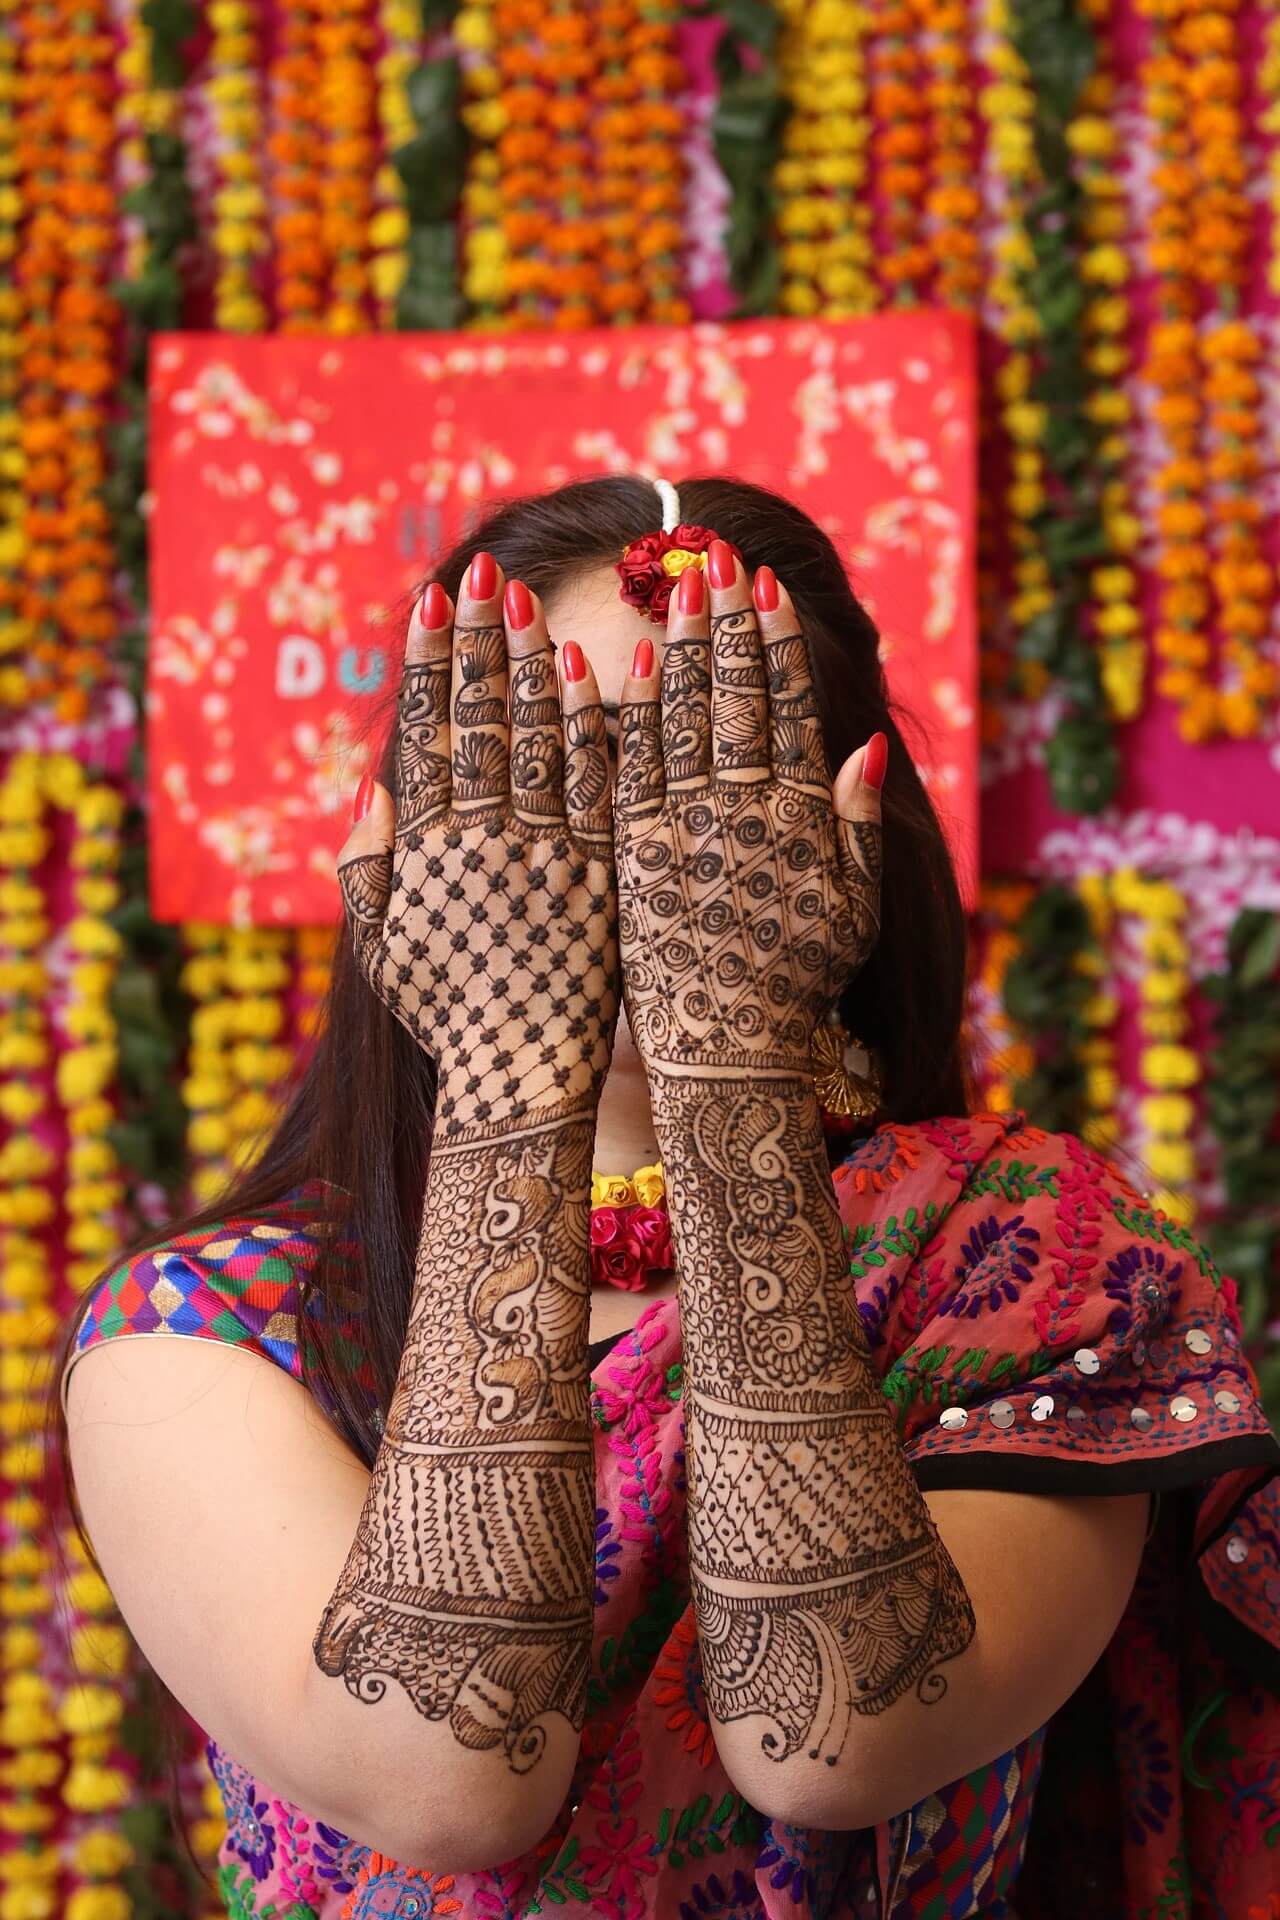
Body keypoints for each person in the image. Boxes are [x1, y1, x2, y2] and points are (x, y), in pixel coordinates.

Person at [57, 476, 1280, 1920]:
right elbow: (448, 1778)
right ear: (408, 833)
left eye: (715, 778)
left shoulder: (1026, 1248)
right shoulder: (209, 1329)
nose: (643, 858)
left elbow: (831, 1739)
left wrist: (729, 1062)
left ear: (849, 826)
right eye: (561, 774)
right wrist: (513, 1071)